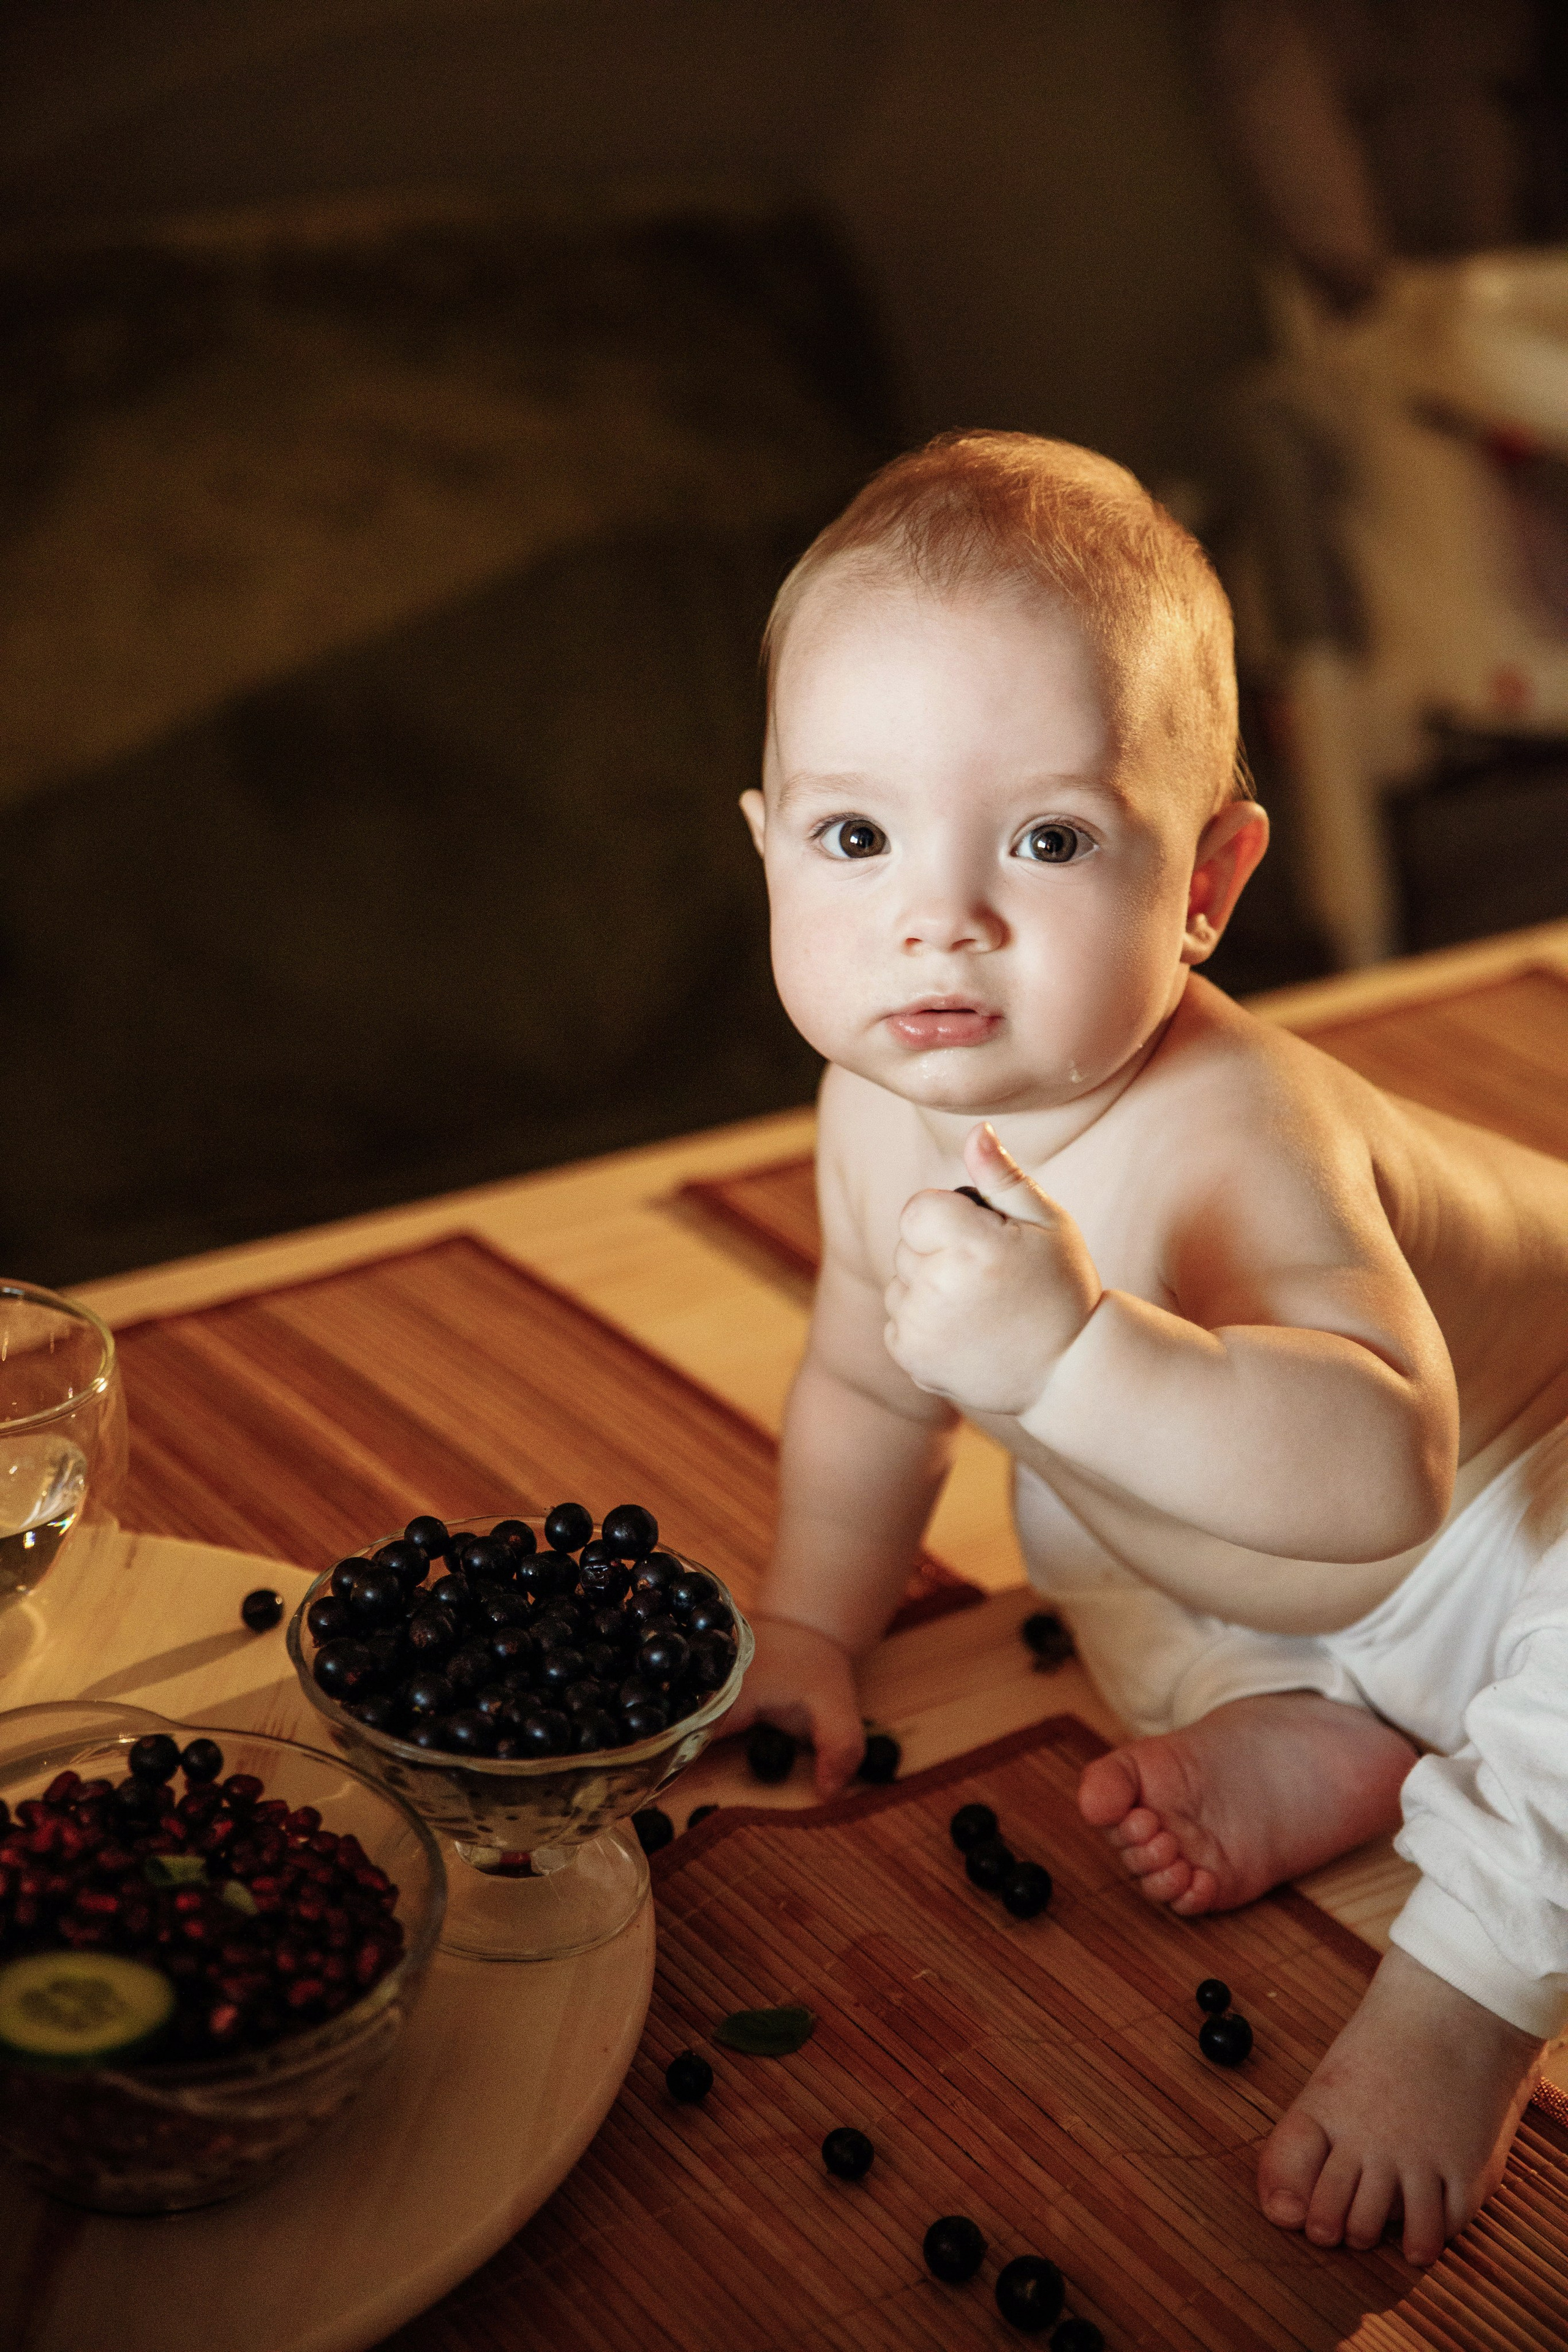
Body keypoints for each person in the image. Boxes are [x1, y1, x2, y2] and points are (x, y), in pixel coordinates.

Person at [725, 428, 1568, 2267]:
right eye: (855, 837)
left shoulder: (1238, 1125)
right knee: (1080, 1534)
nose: (935, 917)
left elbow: (1383, 1470)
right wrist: (809, 1623)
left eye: (1047, 838)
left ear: (1209, 878)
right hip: (1255, 1553)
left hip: (1516, 1489)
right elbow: (872, 1380)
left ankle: (1470, 1999)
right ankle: (1303, 1719)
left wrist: (1072, 1366)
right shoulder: (874, 1101)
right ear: (770, 845)